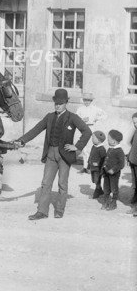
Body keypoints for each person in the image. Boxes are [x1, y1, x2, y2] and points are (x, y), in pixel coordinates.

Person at [14, 88, 91, 220]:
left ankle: (59, 210)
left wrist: (77, 147)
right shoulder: (49, 117)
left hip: (65, 155)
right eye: (56, 103)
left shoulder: (73, 117)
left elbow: (87, 131)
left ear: (66, 103)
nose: (58, 106)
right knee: (45, 182)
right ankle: (42, 211)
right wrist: (22, 140)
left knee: (62, 183)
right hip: (51, 153)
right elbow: (36, 129)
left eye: (61, 103)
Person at [76, 92, 107, 173]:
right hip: (83, 129)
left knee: (90, 148)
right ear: (83, 100)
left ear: (91, 101)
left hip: (91, 128)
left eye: (88, 100)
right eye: (85, 100)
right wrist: (82, 120)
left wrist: (96, 119)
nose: (87, 102)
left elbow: (104, 115)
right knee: (84, 148)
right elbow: (75, 118)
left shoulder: (95, 109)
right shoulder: (80, 109)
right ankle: (85, 167)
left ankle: (90, 167)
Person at [101, 130, 126, 211]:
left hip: (114, 174)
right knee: (106, 188)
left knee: (114, 188)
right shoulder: (110, 149)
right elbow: (106, 160)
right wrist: (103, 168)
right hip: (106, 173)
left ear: (114, 141)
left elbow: (121, 164)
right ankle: (106, 202)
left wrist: (113, 169)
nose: (107, 141)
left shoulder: (119, 151)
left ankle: (114, 202)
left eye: (108, 139)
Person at [88, 131, 107, 199]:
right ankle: (100, 191)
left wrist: (98, 164)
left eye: (93, 138)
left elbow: (104, 159)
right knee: (94, 180)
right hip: (92, 168)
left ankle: (96, 193)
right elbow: (90, 156)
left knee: (97, 181)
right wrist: (88, 166)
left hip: (98, 169)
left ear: (99, 140)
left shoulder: (101, 149)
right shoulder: (94, 146)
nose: (92, 139)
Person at [127, 113, 137, 207]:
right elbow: (131, 143)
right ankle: (135, 195)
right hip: (133, 160)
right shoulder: (135, 131)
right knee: (134, 181)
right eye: (134, 123)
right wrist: (130, 156)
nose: (135, 125)